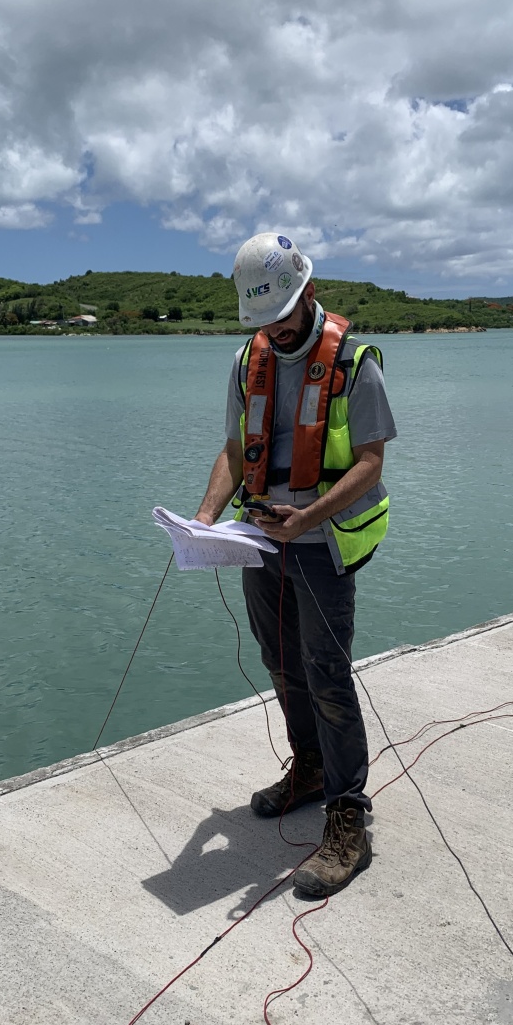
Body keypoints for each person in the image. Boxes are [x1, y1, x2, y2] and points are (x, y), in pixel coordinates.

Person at [195, 232, 396, 896]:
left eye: (283, 319)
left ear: (308, 292)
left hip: (323, 543)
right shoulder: (245, 361)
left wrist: (308, 518)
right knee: (281, 661)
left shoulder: (354, 363)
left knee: (328, 674)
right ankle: (308, 769)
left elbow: (370, 463)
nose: (275, 335)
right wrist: (204, 520)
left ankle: (348, 820)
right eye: (263, 324)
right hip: (261, 541)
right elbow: (233, 449)